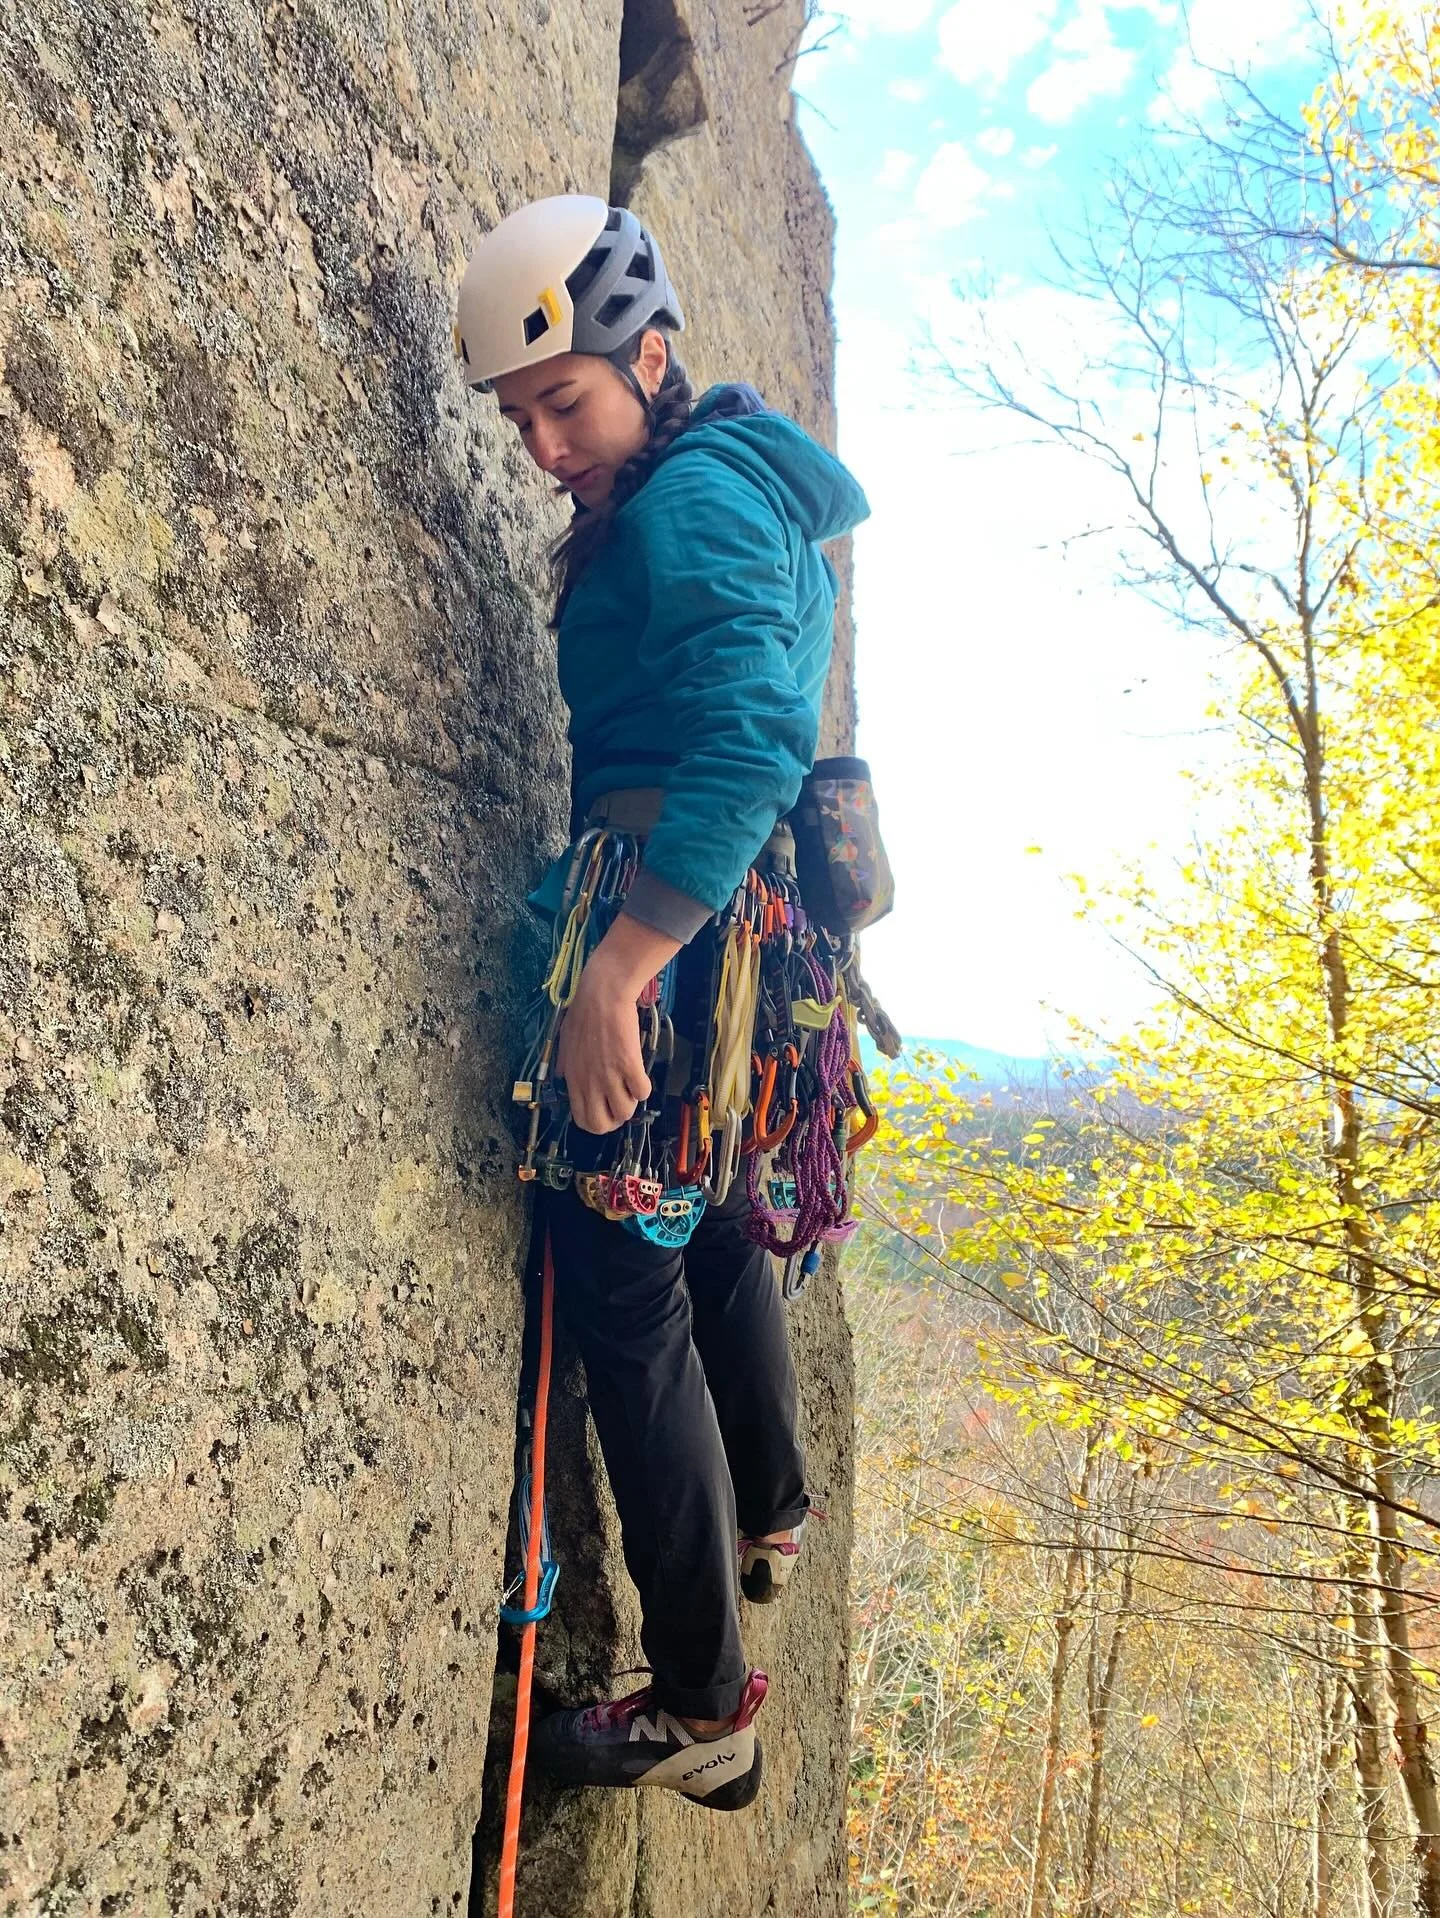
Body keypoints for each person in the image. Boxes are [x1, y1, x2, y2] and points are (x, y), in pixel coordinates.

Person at [455, 195, 870, 1811]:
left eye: (565, 401)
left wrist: (621, 962)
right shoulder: (726, 477)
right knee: (708, 1219)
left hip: (675, 923)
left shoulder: (691, 500)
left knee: (621, 1279)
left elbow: (752, 735)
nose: (547, 444)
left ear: (654, 354)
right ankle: (770, 1501)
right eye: (521, 419)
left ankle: (706, 1711)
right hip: (738, 933)